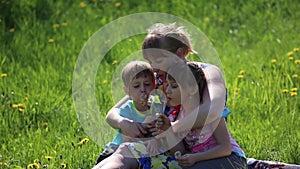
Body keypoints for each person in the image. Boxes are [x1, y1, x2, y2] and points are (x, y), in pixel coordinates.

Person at [94, 61, 246, 169]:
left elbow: (225, 148)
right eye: (167, 86)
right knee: (126, 151)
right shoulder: (175, 114)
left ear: (192, 88)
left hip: (228, 159)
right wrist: (165, 134)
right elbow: (179, 151)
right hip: (193, 159)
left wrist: (194, 158)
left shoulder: (207, 115)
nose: (167, 91)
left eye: (174, 87)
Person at [96, 60, 158, 164]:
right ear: (127, 91)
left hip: (139, 152)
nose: (143, 89)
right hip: (117, 148)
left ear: (154, 85)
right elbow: (126, 138)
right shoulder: (127, 110)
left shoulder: (156, 107)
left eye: (147, 84)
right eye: (136, 86)